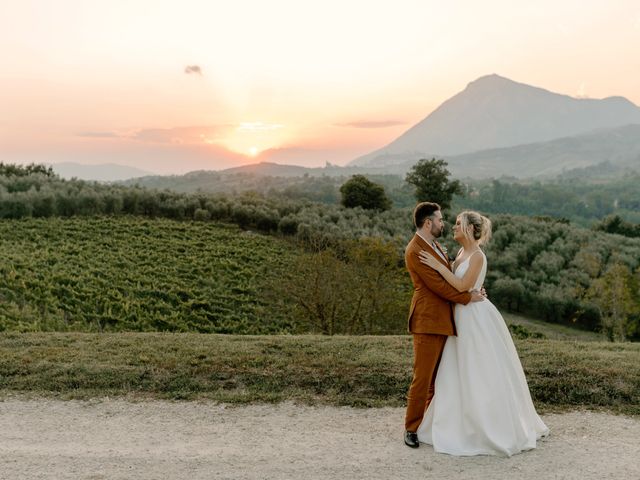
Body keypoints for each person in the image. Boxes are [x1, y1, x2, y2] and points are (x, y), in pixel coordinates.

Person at [416, 210, 549, 456]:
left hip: (474, 318)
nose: (453, 227)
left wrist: (438, 266)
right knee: (456, 369)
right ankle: (458, 420)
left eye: (457, 224)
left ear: (468, 228)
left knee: (478, 367)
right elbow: (459, 287)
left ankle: (486, 425)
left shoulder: (477, 255)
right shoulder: (460, 252)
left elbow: (462, 286)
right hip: (460, 315)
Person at [403, 202, 484, 449]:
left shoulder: (434, 245)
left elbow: (450, 274)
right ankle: (411, 428)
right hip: (428, 321)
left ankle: (429, 424)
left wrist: (472, 288)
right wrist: (468, 297)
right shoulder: (415, 250)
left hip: (444, 320)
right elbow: (437, 286)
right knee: (423, 378)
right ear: (428, 223)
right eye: (439, 220)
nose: (443, 223)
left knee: (438, 379)